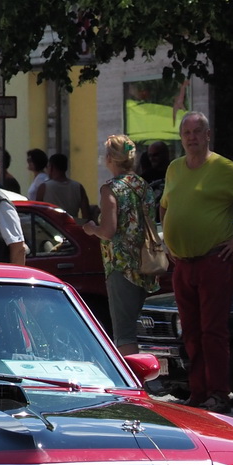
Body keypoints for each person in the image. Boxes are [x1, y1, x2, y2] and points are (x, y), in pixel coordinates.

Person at [161, 112, 233, 411]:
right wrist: (167, 241)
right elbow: (164, 205)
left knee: (213, 331)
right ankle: (198, 392)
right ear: (181, 138)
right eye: (186, 133)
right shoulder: (174, 168)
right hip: (183, 263)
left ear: (208, 135)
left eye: (197, 131)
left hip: (213, 260)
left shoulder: (222, 168)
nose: (192, 137)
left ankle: (218, 394)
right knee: (191, 332)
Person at [82, 134, 161, 353]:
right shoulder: (142, 185)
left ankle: (133, 381)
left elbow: (108, 231)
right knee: (144, 327)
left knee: (124, 332)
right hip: (147, 263)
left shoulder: (111, 189)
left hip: (121, 265)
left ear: (110, 158)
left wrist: (91, 228)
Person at [38, 153, 93, 220]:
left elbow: (37, 212)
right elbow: (86, 215)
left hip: (51, 227)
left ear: (51, 167)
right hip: (71, 227)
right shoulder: (78, 187)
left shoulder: (44, 187)